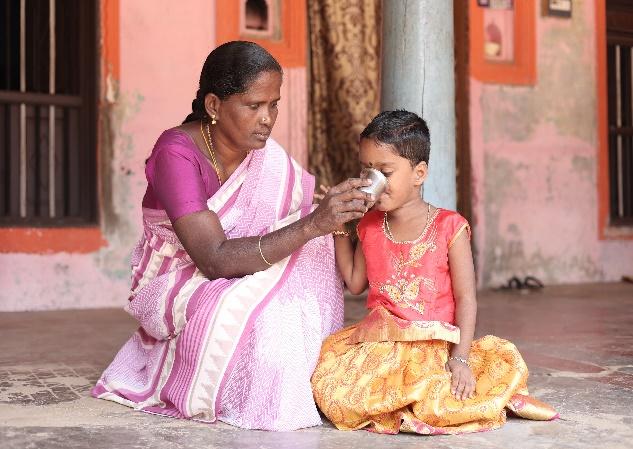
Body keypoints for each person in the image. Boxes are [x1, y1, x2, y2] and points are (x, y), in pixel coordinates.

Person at [91, 41, 372, 431]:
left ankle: (291, 365)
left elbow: (298, 211)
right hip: (181, 275)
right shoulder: (175, 152)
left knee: (312, 253)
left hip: (242, 263)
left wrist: (329, 217)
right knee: (259, 312)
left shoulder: (261, 152)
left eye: (273, 104)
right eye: (254, 105)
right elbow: (214, 259)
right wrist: (312, 224)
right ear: (213, 106)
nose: (267, 118)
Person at [311, 110, 558, 435]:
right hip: (383, 344)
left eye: (384, 171)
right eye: (367, 170)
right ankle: (412, 409)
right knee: (333, 384)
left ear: (419, 173)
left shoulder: (449, 227)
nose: (374, 182)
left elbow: (465, 297)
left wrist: (461, 358)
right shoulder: (370, 224)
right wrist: (339, 226)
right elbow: (355, 282)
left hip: (435, 343)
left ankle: (502, 397)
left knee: (453, 383)